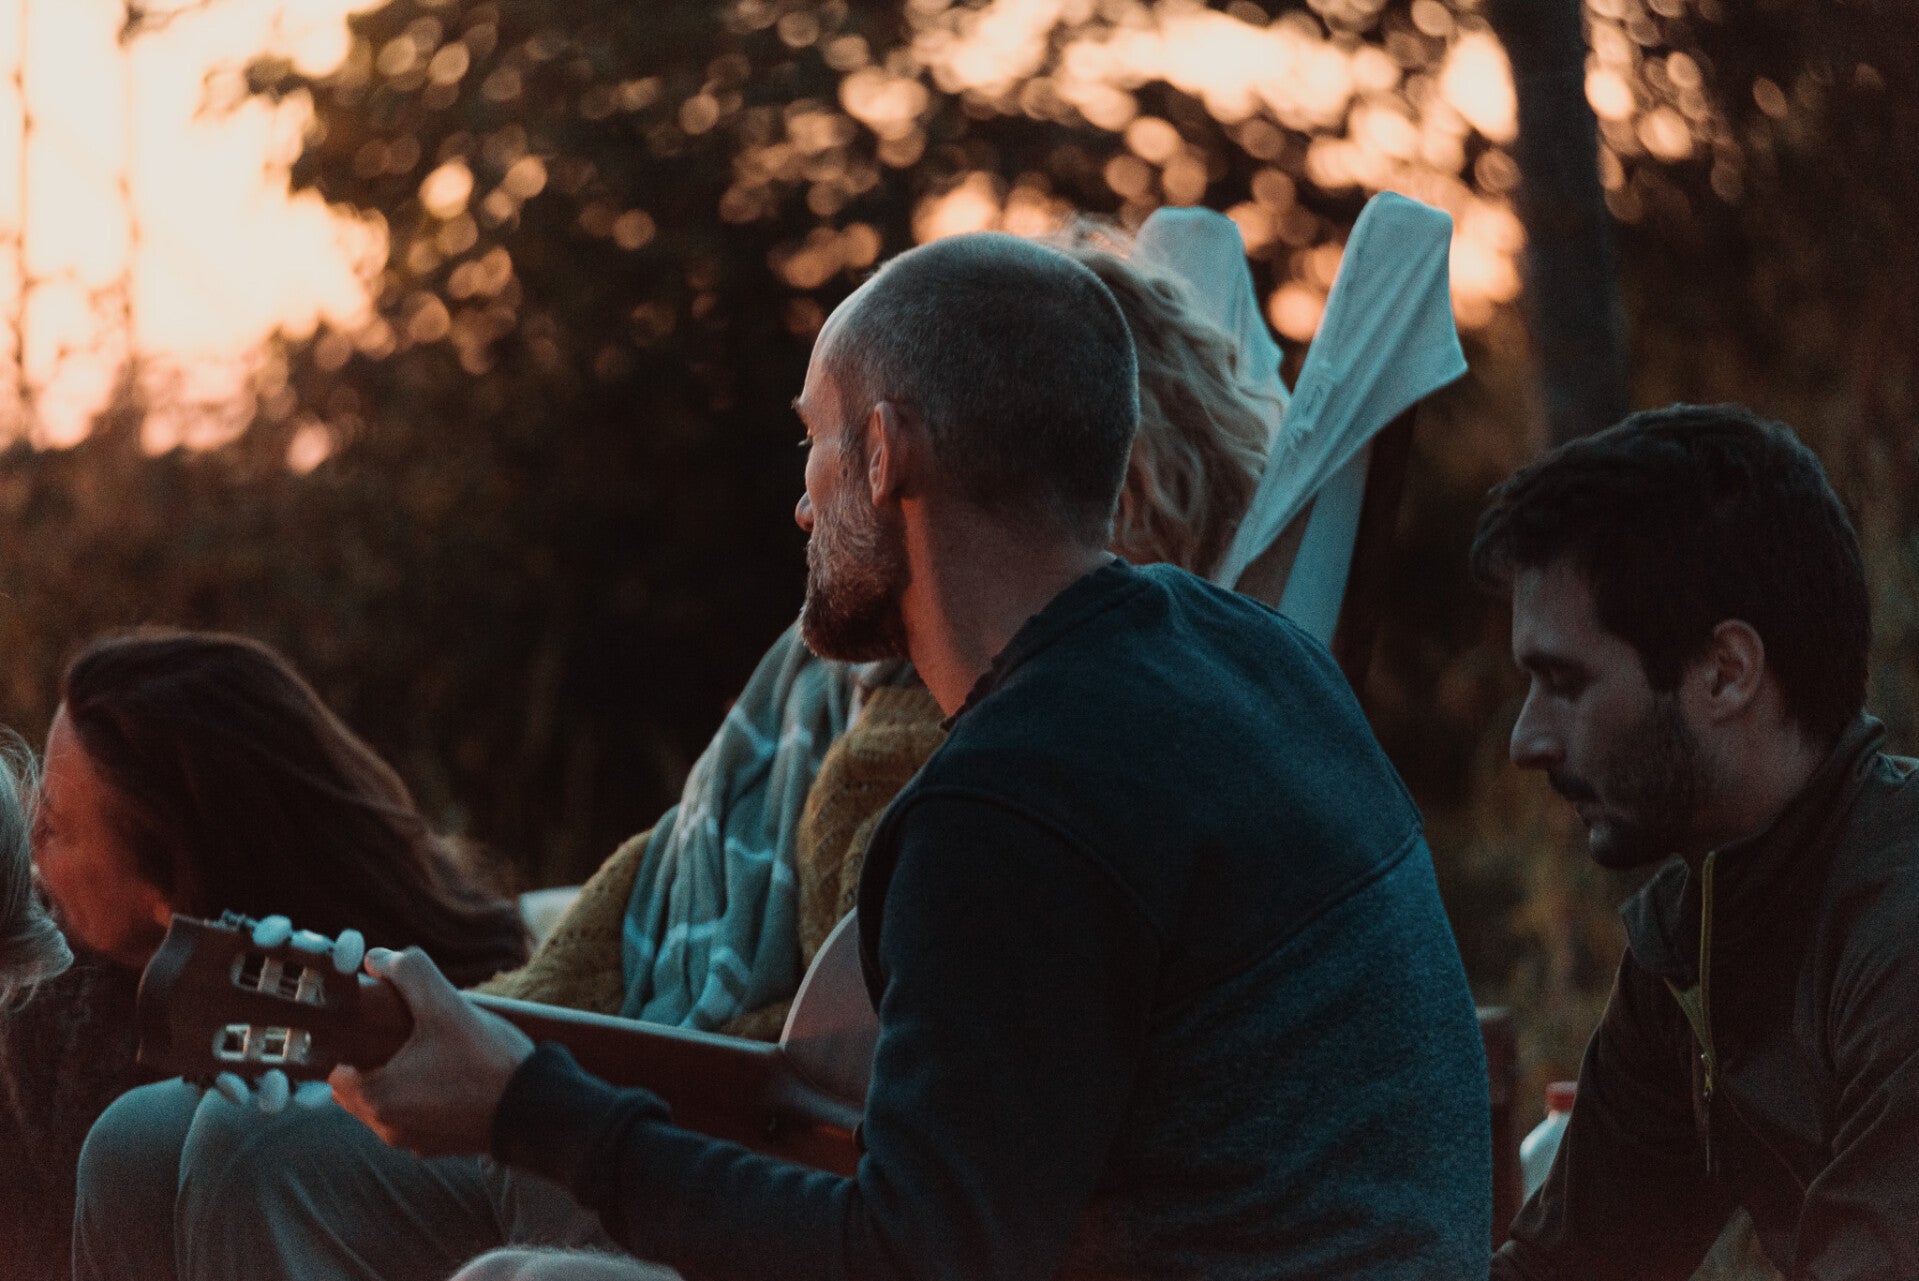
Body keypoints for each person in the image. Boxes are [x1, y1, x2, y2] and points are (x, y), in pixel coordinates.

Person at [327, 232, 1490, 1280]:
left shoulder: (1007, 802)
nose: (802, 503)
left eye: (813, 441)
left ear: (884, 453)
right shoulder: (1255, 658)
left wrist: (532, 1110)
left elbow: (916, 1258)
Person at [1474, 404, 1919, 1278]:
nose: (1526, 739)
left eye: (1563, 681)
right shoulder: (1700, 935)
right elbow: (1573, 1268)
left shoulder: (1899, 926)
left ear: (1724, 673)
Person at [0, 629, 529, 1281]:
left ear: (168, 896)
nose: (30, 849)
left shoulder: (418, 1027)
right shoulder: (43, 1016)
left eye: (53, 828)